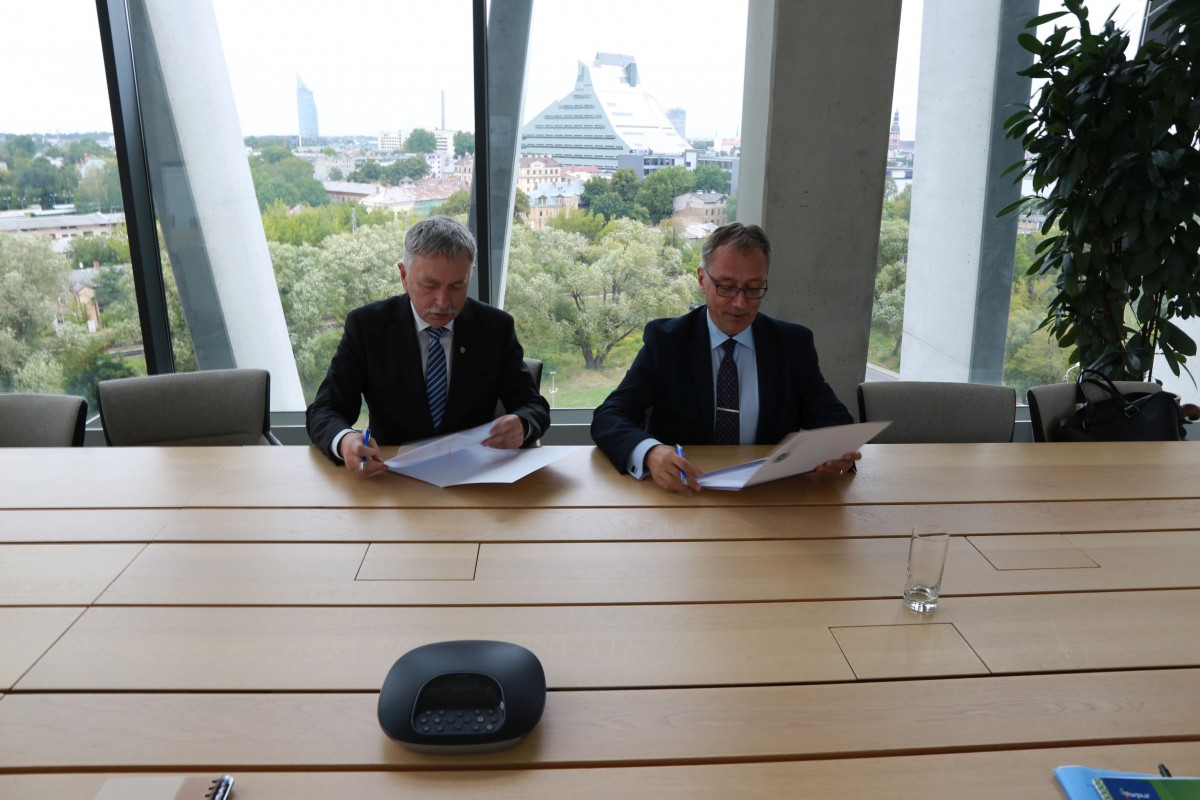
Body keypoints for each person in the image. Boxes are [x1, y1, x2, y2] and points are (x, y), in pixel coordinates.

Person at [590, 222, 859, 494]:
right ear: (701, 280)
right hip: (684, 494)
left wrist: (836, 451)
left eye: (753, 288)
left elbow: (833, 418)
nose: (740, 303)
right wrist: (650, 452)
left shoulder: (792, 344)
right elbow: (609, 416)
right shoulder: (667, 341)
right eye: (727, 287)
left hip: (769, 496)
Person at [307, 215, 550, 476]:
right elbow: (324, 409)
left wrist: (523, 425)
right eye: (429, 285)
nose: (443, 301)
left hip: (474, 478)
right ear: (404, 275)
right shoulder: (368, 327)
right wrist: (345, 440)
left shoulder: (495, 328)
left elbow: (534, 406)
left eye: (457, 286)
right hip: (392, 479)